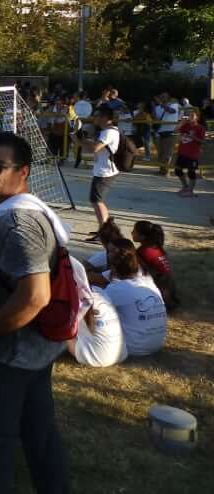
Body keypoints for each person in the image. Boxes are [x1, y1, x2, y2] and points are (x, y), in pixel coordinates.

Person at [0, 132, 70, 493]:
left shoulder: (17, 225)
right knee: (40, 435)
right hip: (33, 351)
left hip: (8, 356)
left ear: (23, 171)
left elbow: (35, 296)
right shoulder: (23, 211)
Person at [104, 239, 168, 356]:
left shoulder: (117, 288)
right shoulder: (148, 280)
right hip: (157, 343)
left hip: (133, 347)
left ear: (112, 270)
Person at [66, 283, 127, 368]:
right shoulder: (100, 291)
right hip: (120, 354)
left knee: (62, 328)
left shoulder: (71, 297)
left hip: (98, 358)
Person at [85, 105, 120, 243]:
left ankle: (104, 234)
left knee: (96, 201)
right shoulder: (109, 130)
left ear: (105, 117)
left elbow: (94, 148)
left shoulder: (108, 132)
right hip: (104, 170)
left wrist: (81, 140)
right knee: (97, 201)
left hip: (105, 172)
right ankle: (105, 228)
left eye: (98, 115)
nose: (96, 118)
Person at [131, 220, 179, 310]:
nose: (132, 232)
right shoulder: (157, 248)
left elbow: (132, 270)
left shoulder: (143, 251)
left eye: (134, 231)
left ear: (142, 236)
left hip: (159, 298)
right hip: (169, 294)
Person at [174, 107, 205, 197]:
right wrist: (181, 123)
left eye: (192, 115)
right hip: (182, 152)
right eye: (188, 115)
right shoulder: (185, 125)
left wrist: (193, 137)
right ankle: (185, 187)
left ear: (197, 117)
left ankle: (191, 191)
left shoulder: (200, 128)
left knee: (191, 172)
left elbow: (202, 141)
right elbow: (175, 131)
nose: (190, 117)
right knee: (178, 170)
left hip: (192, 153)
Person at [152, 93, 181, 176]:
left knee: (167, 153)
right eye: (161, 97)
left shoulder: (174, 105)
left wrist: (161, 104)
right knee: (161, 153)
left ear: (168, 98)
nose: (162, 98)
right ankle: (162, 170)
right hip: (160, 132)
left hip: (171, 132)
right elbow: (155, 118)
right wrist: (153, 107)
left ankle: (166, 171)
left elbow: (171, 111)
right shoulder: (158, 107)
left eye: (164, 97)